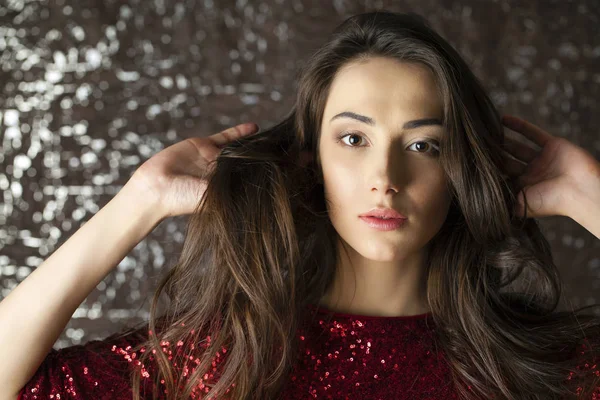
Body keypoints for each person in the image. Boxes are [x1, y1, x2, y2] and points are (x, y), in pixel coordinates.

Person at [3, 9, 600, 400]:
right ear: (311, 158)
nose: (384, 178)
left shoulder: (535, 366)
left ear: (459, 167)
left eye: (424, 144)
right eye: (353, 138)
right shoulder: (225, 361)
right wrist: (139, 202)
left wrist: (587, 195)